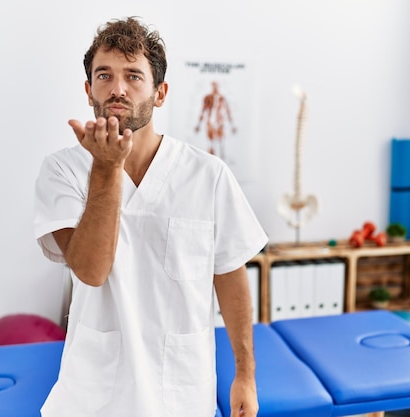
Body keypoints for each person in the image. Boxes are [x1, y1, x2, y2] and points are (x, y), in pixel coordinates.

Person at [34, 17, 267, 417]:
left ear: (160, 93)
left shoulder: (208, 176)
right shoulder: (63, 171)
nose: (118, 88)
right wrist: (106, 168)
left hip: (181, 395)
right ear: (89, 90)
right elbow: (91, 270)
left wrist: (245, 373)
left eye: (133, 76)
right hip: (93, 398)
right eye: (104, 75)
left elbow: (229, 276)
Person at [194, 80, 237, 159]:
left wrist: (232, 126)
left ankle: (222, 161)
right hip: (210, 122)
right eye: (214, 86)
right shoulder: (207, 98)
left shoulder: (222, 98)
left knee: (221, 143)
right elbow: (203, 111)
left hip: (219, 122)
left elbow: (228, 111)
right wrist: (198, 125)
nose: (215, 88)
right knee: (211, 143)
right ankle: (211, 162)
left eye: (216, 86)